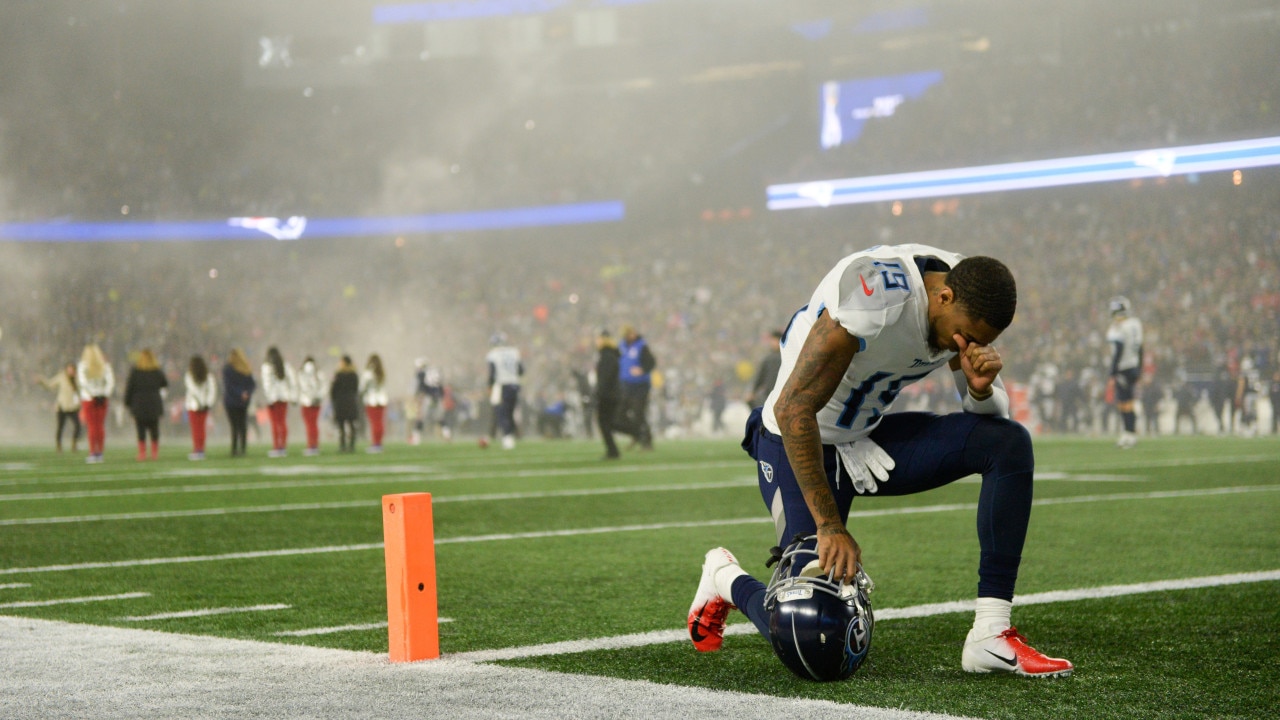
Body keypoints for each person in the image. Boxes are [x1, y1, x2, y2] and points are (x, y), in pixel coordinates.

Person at [687, 244, 1072, 680]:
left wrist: (979, 391)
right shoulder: (875, 295)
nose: (966, 345)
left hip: (867, 438)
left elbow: (991, 413)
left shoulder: (967, 291)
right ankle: (726, 578)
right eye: (966, 334)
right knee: (809, 631)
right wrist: (830, 527)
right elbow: (793, 410)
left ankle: (991, 633)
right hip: (798, 440)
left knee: (1009, 443)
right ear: (943, 298)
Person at [1106, 296, 1144, 448]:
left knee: (1124, 403)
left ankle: (1129, 434)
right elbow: (1141, 348)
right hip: (1134, 366)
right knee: (1128, 402)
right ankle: (1130, 433)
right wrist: (1139, 369)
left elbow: (1118, 351)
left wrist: (1112, 373)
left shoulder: (1119, 327)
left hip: (1123, 368)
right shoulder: (1135, 324)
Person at [123, 348, 168, 461]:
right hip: (154, 403)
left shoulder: (135, 371)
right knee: (154, 429)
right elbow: (165, 383)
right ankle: (154, 453)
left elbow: (129, 388)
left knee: (140, 429)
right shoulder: (157, 371)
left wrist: (127, 402)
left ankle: (142, 453)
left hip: (139, 404)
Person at [617, 324, 656, 450]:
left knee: (639, 413)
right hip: (625, 385)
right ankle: (636, 434)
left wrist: (642, 369)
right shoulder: (621, 346)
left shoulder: (641, 346)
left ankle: (646, 440)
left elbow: (651, 362)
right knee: (621, 414)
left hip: (640, 386)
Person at [76, 343, 115, 464]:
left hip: (89, 399)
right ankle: (100, 452)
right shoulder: (105, 366)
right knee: (100, 426)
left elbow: (83, 383)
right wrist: (103, 394)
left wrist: (93, 394)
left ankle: (93, 452)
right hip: (102, 399)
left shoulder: (83, 366)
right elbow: (110, 382)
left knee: (92, 426)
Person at [485, 333, 523, 450]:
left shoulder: (493, 355)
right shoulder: (514, 352)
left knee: (502, 412)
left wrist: (490, 387)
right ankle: (510, 435)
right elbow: (521, 370)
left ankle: (507, 437)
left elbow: (492, 374)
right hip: (515, 385)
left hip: (502, 385)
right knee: (510, 412)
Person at [36, 363, 82, 452]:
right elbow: (49, 385)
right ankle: (59, 445)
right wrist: (41, 381)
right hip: (62, 406)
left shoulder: (77, 379)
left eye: (72, 369)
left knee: (78, 426)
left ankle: (74, 444)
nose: (71, 371)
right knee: (60, 427)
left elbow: (81, 391)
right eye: (69, 369)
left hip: (73, 407)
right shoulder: (61, 377)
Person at [261, 346, 298, 458]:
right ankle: (283, 446)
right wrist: (293, 396)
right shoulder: (285, 365)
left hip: (273, 399)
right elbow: (292, 381)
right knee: (282, 422)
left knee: (275, 423)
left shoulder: (266, 367)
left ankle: (277, 446)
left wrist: (269, 398)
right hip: (284, 397)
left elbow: (267, 385)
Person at [222, 348, 256, 457]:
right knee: (242, 425)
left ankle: (234, 449)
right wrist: (246, 393)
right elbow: (252, 384)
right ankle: (243, 449)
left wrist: (240, 393)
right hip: (243, 402)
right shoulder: (246, 369)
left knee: (234, 426)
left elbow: (229, 386)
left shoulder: (228, 369)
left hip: (231, 402)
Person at [594, 330, 622, 460]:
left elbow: (605, 378)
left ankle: (613, 451)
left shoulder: (607, 356)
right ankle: (613, 450)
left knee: (605, 423)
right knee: (608, 423)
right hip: (611, 394)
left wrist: (598, 393)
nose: (596, 341)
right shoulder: (610, 355)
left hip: (607, 395)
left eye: (598, 339)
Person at [183, 355, 217, 460]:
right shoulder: (208, 376)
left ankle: (197, 449)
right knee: (201, 428)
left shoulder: (189, 376)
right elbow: (212, 391)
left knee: (196, 428)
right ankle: (200, 449)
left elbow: (193, 390)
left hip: (193, 405)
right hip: (204, 406)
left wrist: (201, 402)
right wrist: (207, 403)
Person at [330, 355, 361, 453]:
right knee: (351, 424)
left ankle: (342, 445)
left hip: (341, 402)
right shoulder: (354, 375)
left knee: (341, 425)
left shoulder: (338, 375)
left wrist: (334, 400)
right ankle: (351, 445)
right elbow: (356, 389)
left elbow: (333, 389)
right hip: (351, 401)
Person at [746, 330, 783, 409]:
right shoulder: (768, 359)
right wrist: (753, 391)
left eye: (775, 340)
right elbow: (760, 376)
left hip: (781, 393)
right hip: (769, 393)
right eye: (772, 341)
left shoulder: (785, 357)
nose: (772, 343)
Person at [296, 356, 326, 456]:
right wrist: (318, 397)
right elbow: (324, 387)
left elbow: (301, 387)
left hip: (306, 402)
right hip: (316, 402)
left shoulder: (301, 372)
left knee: (309, 424)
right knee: (314, 424)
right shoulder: (318, 372)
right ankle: (315, 444)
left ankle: (310, 445)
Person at [361, 353, 389, 453]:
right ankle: (378, 443)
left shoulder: (368, 372)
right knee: (380, 422)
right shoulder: (381, 372)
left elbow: (362, 387)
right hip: (382, 400)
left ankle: (375, 443)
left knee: (374, 423)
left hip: (372, 400)